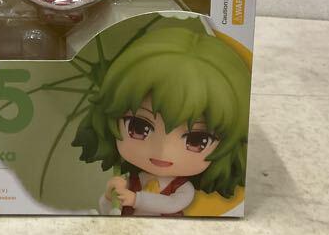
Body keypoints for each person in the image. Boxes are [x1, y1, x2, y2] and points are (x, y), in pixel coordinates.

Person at [72, 26, 250, 216]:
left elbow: (171, 205)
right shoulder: (130, 180)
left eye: (197, 140)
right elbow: (111, 211)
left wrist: (136, 199)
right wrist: (110, 197)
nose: (163, 150)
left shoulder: (183, 189)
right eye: (138, 127)